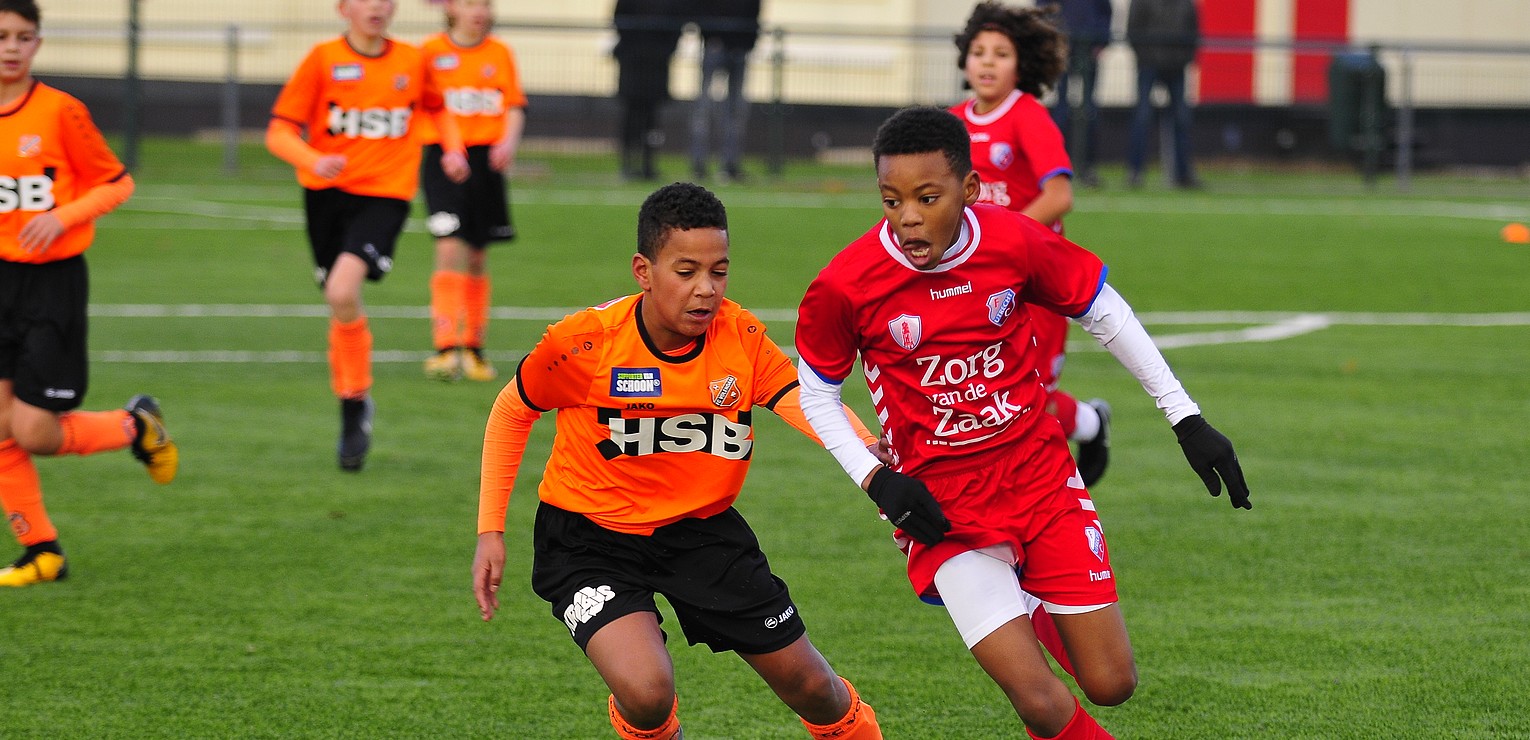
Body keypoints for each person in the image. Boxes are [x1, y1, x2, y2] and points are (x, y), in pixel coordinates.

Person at [793, 106, 1251, 739]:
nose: (908, 217)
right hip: (941, 506)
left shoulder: (1012, 240)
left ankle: (1032, 604)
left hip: (1040, 480)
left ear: (969, 191)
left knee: (1112, 684)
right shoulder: (846, 284)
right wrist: (878, 481)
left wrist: (1187, 420)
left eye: (928, 197)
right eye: (891, 199)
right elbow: (816, 395)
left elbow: (1104, 311)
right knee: (1038, 699)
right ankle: (1018, 600)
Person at [472, 182, 884, 739]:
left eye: (719, 271)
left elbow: (806, 405)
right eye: (686, 271)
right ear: (644, 270)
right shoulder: (585, 344)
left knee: (815, 689)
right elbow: (512, 409)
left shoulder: (740, 338)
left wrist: (872, 462)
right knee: (646, 692)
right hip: (590, 539)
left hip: (703, 535)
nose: (705, 290)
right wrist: (490, 530)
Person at [0, 0, 178, 587]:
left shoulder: (59, 111)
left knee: (34, 432)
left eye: (24, 37)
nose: (12, 47)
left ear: (38, 45)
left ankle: (136, 426)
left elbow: (116, 181)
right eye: (2, 35)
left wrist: (63, 215)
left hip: (50, 284)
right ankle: (42, 550)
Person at [265, 0, 468, 471]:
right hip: (326, 196)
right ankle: (354, 395)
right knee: (339, 302)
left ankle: (353, 406)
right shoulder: (322, 60)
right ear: (343, 8)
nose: (377, 6)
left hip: (385, 195)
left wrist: (452, 150)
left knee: (342, 288)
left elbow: (439, 111)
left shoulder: (412, 61)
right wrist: (312, 160)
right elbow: (278, 131)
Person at [950, 2, 1110, 489]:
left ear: (1021, 64)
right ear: (964, 61)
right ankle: (1085, 423)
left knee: (1030, 398)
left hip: (1033, 278)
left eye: (1001, 52)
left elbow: (1060, 195)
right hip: (974, 282)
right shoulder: (951, 124)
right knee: (984, 393)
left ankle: (1085, 432)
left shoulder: (1027, 116)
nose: (988, 61)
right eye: (979, 51)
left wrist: (1001, 237)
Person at [418, 0, 527, 383]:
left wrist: (508, 143)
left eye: (484, 3)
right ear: (452, 9)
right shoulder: (431, 51)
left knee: (478, 256)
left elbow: (513, 104)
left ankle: (474, 349)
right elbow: (423, 106)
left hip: (486, 162)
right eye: (469, 3)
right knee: (449, 246)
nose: (479, 10)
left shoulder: (500, 53)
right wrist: (448, 149)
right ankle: (445, 347)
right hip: (443, 161)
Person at [1125, 0, 1200, 189]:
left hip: (1176, 66)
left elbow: (1193, 31)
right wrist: (1145, 57)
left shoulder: (1186, 3)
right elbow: (1133, 30)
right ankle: (1136, 172)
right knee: (1142, 117)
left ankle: (1183, 173)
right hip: (1149, 65)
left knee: (1181, 119)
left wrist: (1184, 58)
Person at [1038, 0, 1112, 188]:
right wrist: (1052, 41)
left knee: (1089, 110)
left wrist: (1101, 42)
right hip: (1062, 48)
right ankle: (1058, 167)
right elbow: (1043, 11)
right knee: (1062, 110)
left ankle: (1087, 166)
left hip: (1088, 47)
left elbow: (1106, 11)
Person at [612, 0, 685, 181]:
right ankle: (628, 163)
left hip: (656, 66)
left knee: (652, 118)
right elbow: (620, 20)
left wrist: (665, 50)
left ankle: (648, 164)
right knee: (631, 116)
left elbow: (676, 25)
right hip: (633, 64)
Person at [688, 0, 760, 182]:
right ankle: (699, 163)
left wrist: (746, 43)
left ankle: (729, 164)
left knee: (734, 110)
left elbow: (753, 12)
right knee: (704, 107)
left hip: (738, 47)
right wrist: (712, 36)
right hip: (716, 45)